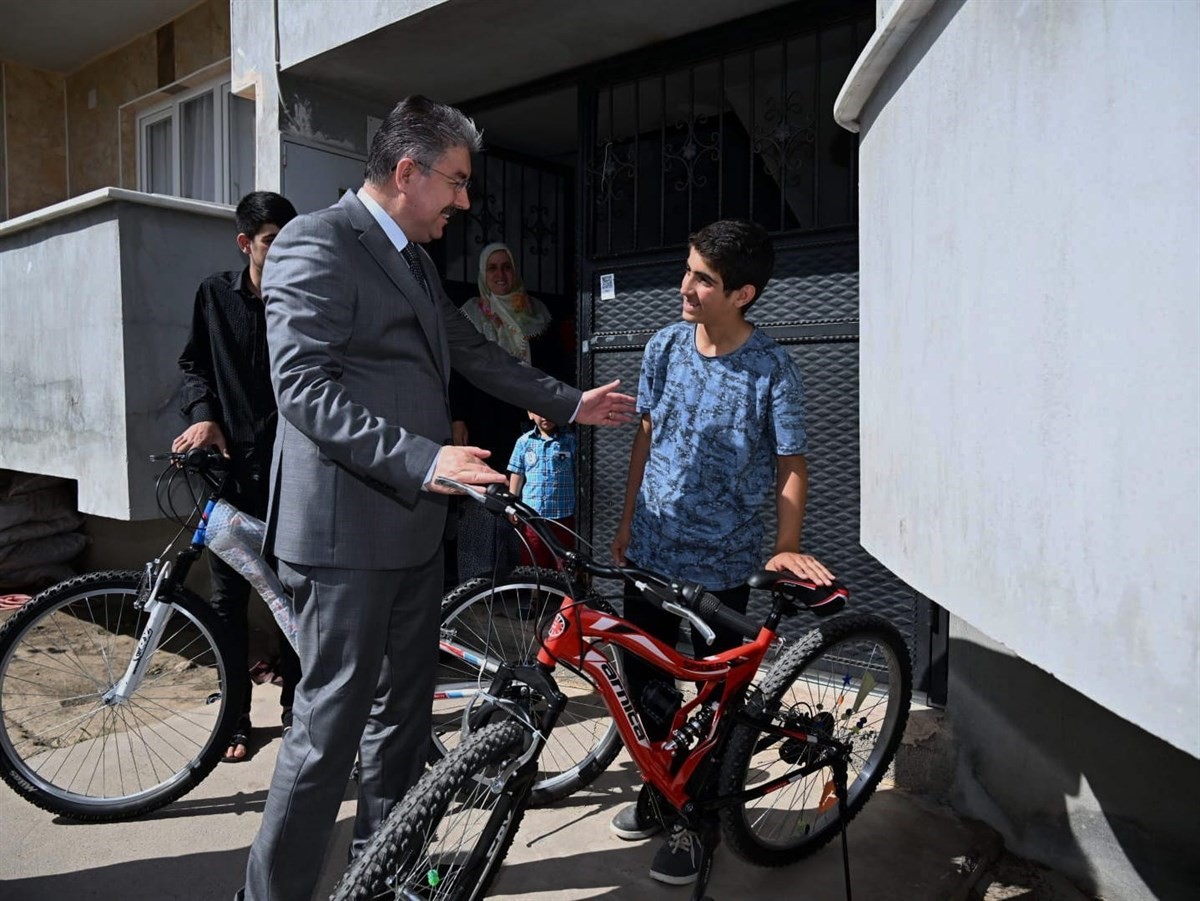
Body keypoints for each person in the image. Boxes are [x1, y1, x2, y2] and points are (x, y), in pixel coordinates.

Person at [240, 94, 635, 901]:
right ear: (408, 171)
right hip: (343, 536)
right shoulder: (315, 244)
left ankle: (385, 875)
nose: (463, 199)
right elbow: (304, 391)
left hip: (416, 531)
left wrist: (569, 402)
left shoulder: (416, 260)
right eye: (454, 181)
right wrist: (427, 459)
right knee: (326, 733)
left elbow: (474, 354)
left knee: (403, 725)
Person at [607, 219, 835, 886]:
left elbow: (793, 465)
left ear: (743, 293)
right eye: (688, 269)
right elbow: (646, 438)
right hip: (650, 550)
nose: (685, 286)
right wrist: (624, 525)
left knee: (710, 702)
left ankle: (695, 822)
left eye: (703, 278)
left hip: (721, 567)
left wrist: (786, 546)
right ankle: (660, 791)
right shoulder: (665, 346)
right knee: (644, 683)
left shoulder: (772, 369)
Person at [173, 190, 301, 763]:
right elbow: (194, 366)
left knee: (295, 594)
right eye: (273, 240)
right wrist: (204, 418)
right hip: (229, 474)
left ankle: (300, 709)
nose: (282, 250)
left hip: (293, 473)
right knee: (227, 601)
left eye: (288, 239)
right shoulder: (213, 295)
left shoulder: (304, 299)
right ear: (246, 244)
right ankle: (236, 718)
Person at [452, 242, 563, 579]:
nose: (501, 275)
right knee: (484, 494)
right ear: (483, 274)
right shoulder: (470, 313)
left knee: (531, 496)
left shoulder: (538, 314)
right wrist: (458, 418)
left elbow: (553, 369)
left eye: (506, 267)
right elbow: (457, 370)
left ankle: (525, 579)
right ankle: (479, 580)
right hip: (485, 420)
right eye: (493, 268)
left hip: (532, 423)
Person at [507, 410, 577, 568]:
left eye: (551, 410)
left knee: (564, 563)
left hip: (563, 515)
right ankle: (536, 592)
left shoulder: (570, 441)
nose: (546, 415)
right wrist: (512, 504)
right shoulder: (524, 442)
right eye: (540, 411)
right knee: (533, 559)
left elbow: (578, 473)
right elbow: (517, 473)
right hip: (533, 516)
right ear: (530, 414)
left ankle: (561, 592)